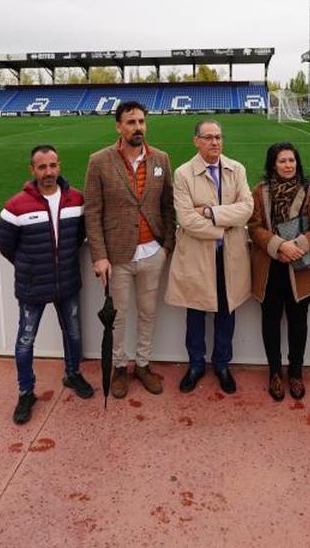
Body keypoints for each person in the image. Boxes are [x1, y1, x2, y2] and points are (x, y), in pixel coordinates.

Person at [83, 101, 176, 399]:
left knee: (148, 313)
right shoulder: (99, 161)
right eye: (131, 122)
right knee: (119, 316)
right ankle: (120, 367)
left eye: (141, 122)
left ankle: (143, 364)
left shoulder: (161, 158)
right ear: (119, 126)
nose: (138, 127)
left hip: (153, 253)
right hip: (117, 255)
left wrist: (167, 245)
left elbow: (167, 206)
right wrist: (99, 255)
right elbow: (92, 212)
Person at [0, 144, 95, 425]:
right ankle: (26, 391)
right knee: (25, 342)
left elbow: (79, 237)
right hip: (32, 286)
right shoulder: (15, 206)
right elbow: (6, 246)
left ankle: (73, 374)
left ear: (59, 166)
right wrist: (31, 267)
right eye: (42, 167)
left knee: (74, 334)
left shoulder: (76, 199)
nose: (48, 172)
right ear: (33, 170)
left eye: (52, 166)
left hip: (67, 282)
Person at [166, 119, 253, 395]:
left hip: (230, 257)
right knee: (196, 312)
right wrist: (225, 225)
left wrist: (211, 212)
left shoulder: (236, 169)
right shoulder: (182, 174)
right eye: (208, 137)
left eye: (218, 137)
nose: (215, 142)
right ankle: (195, 364)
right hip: (197, 257)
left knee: (227, 312)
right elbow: (186, 219)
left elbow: (247, 208)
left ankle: (222, 364)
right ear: (196, 141)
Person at [248, 141, 310, 401]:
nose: (288, 165)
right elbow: (254, 226)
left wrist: (296, 246)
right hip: (269, 267)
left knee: (299, 323)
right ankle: (274, 372)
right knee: (270, 321)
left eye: (292, 160)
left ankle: (295, 372)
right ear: (273, 164)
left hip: (300, 267)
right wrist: (278, 245)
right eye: (282, 160)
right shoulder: (260, 190)